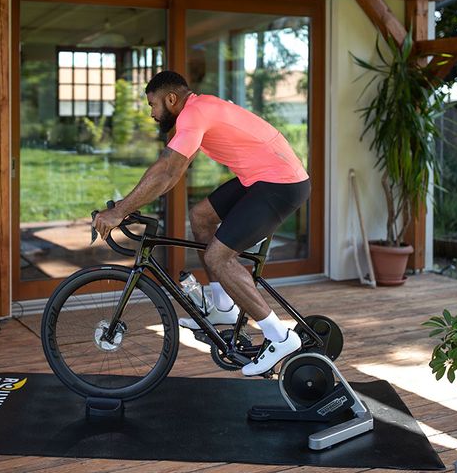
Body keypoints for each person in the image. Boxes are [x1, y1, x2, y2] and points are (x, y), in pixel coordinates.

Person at [93, 70, 311, 376]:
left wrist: (119, 211)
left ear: (171, 99)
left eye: (153, 105)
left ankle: (280, 336)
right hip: (260, 179)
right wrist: (128, 205)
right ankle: (223, 307)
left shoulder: (194, 114)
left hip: (281, 185)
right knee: (201, 217)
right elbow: (173, 172)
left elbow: (167, 172)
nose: (152, 114)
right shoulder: (198, 111)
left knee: (218, 257)